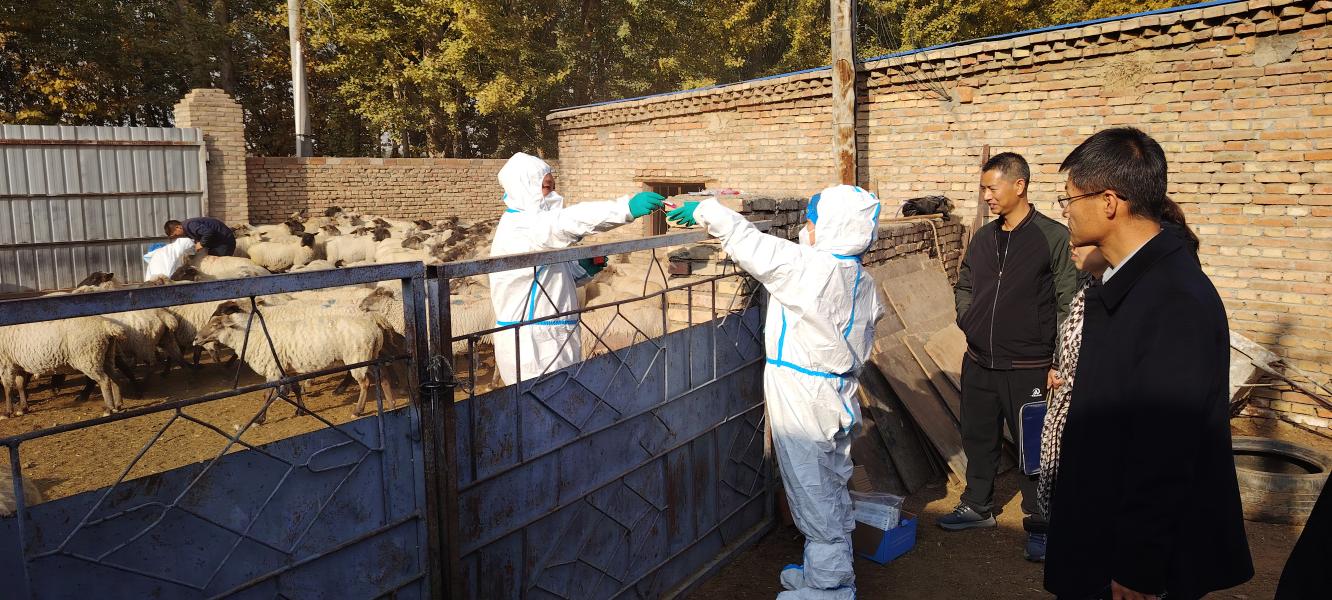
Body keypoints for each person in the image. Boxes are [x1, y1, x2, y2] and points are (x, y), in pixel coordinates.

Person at [1045, 127, 1252, 600]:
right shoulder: (1125, 282)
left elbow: (1166, 447)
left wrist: (1137, 567)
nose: (1066, 211)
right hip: (1101, 526)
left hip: (1135, 560)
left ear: (1109, 202)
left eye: (1069, 198)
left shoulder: (1175, 299)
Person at [667, 185, 884, 600]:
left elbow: (748, 241)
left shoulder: (806, 268)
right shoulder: (859, 277)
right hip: (838, 390)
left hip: (804, 392)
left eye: (812, 221)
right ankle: (829, 569)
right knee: (832, 481)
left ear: (831, 225)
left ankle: (830, 588)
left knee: (810, 488)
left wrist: (704, 210)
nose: (807, 228)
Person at [942, 152, 1078, 562]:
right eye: (983, 188)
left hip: (1029, 366)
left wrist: (1059, 361)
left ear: (1019, 186)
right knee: (978, 438)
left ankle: (1040, 523)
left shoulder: (1052, 237)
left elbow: (1068, 302)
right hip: (979, 361)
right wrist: (968, 318)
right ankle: (977, 506)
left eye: (992, 187)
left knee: (1033, 447)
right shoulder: (983, 237)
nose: (986, 196)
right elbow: (965, 283)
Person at [1037, 203, 1200, 519]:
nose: (1072, 245)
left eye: (1086, 240)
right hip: (1079, 420)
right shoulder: (1093, 286)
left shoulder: (1145, 297)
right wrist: (1061, 368)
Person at [488, 152, 664, 384]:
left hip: (553, 337)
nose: (554, 195)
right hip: (532, 346)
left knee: (564, 399)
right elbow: (567, 221)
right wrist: (624, 208)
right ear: (525, 187)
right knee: (542, 402)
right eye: (546, 187)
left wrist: (581, 270)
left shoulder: (535, 229)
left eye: (554, 187)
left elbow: (547, 278)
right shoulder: (522, 225)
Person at [164, 216, 237, 257]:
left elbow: (208, 232)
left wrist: (201, 244)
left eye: (176, 235)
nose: (178, 237)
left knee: (219, 265)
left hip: (224, 241)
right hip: (217, 242)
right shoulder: (186, 230)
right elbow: (200, 237)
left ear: (177, 227)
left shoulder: (190, 225)